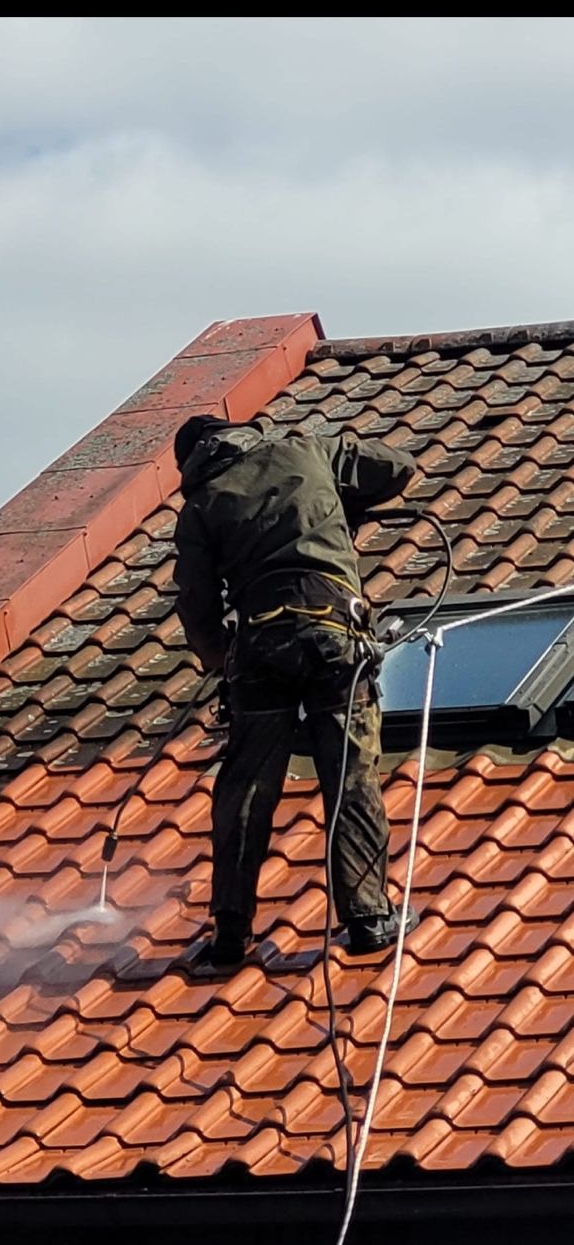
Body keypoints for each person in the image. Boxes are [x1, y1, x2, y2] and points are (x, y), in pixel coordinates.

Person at [173, 411, 420, 972]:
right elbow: (397, 467)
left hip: (260, 649)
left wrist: (221, 661)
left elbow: (197, 604)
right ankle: (368, 920)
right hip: (335, 637)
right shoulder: (308, 452)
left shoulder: (201, 506)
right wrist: (340, 506)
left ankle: (231, 938)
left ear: (191, 462)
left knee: (247, 790)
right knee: (350, 773)